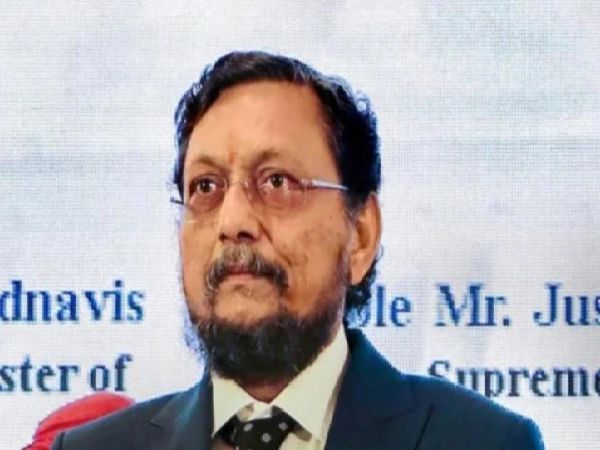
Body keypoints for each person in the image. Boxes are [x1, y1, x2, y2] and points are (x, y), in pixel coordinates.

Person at [51, 51, 545, 450]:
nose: (233, 222)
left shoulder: (483, 441)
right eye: (206, 187)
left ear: (361, 234)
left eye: (276, 182)